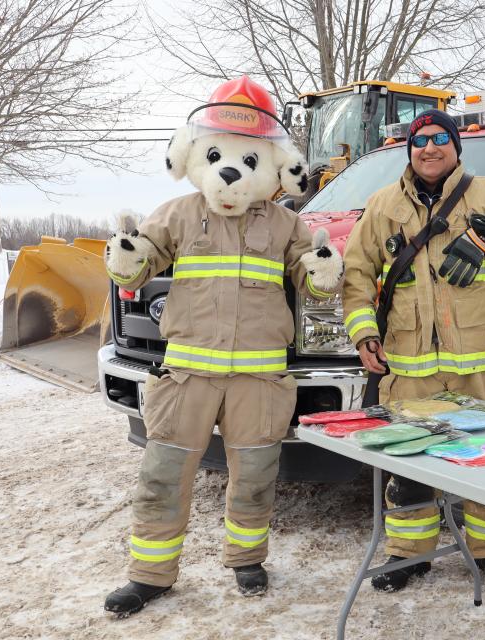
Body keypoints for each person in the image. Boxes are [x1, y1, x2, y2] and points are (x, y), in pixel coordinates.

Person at [101, 77, 343, 615]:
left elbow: (315, 283)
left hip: (258, 379)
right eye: (216, 155)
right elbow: (139, 266)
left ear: (275, 165)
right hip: (187, 375)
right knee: (163, 475)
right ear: (192, 156)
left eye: (249, 159)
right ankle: (151, 575)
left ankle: (247, 559)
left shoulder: (286, 224)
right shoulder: (177, 214)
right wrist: (124, 254)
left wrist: (324, 269)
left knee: (254, 477)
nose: (231, 170)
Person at [342, 109, 485, 592]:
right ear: (409, 150)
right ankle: (407, 554)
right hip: (409, 369)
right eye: (420, 141)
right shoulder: (382, 205)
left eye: (439, 139)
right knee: (408, 463)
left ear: (456, 146)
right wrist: (363, 335)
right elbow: (355, 276)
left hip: (482, 365)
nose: (429, 148)